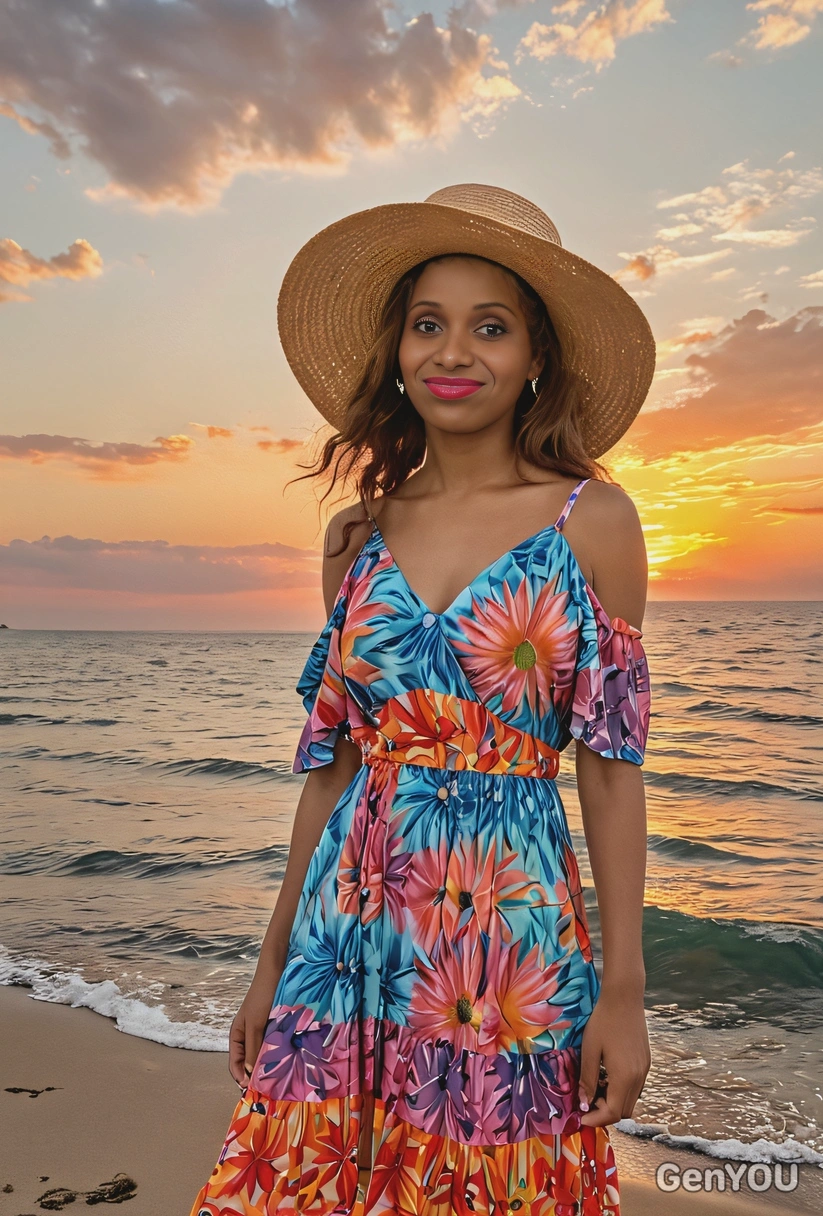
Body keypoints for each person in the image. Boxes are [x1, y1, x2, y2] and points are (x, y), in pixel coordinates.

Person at [190, 184, 654, 1216]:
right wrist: (270, 965)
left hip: (510, 934)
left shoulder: (592, 521)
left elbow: (611, 774)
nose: (454, 352)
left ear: (535, 357)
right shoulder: (356, 538)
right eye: (427, 324)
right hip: (346, 930)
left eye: (490, 327)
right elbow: (332, 772)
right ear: (397, 353)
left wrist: (623, 992)